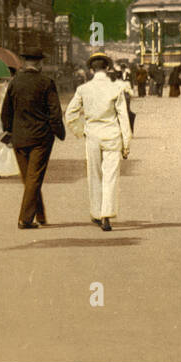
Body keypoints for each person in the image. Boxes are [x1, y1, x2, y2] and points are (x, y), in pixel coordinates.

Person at [65, 53, 132, 231]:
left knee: (94, 175)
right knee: (110, 176)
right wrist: (126, 145)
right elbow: (124, 119)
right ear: (108, 68)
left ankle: (96, 212)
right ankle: (106, 215)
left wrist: (81, 131)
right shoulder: (116, 89)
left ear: (91, 69)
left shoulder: (83, 89)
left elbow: (70, 114)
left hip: (93, 135)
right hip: (112, 135)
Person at [0, 48, 64, 230]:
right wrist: (59, 132)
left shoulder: (15, 82)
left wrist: (9, 131)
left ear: (25, 62)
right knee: (34, 177)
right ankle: (25, 219)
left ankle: (40, 215)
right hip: (41, 137)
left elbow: (6, 112)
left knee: (29, 178)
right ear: (40, 63)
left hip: (19, 137)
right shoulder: (46, 82)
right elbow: (55, 112)